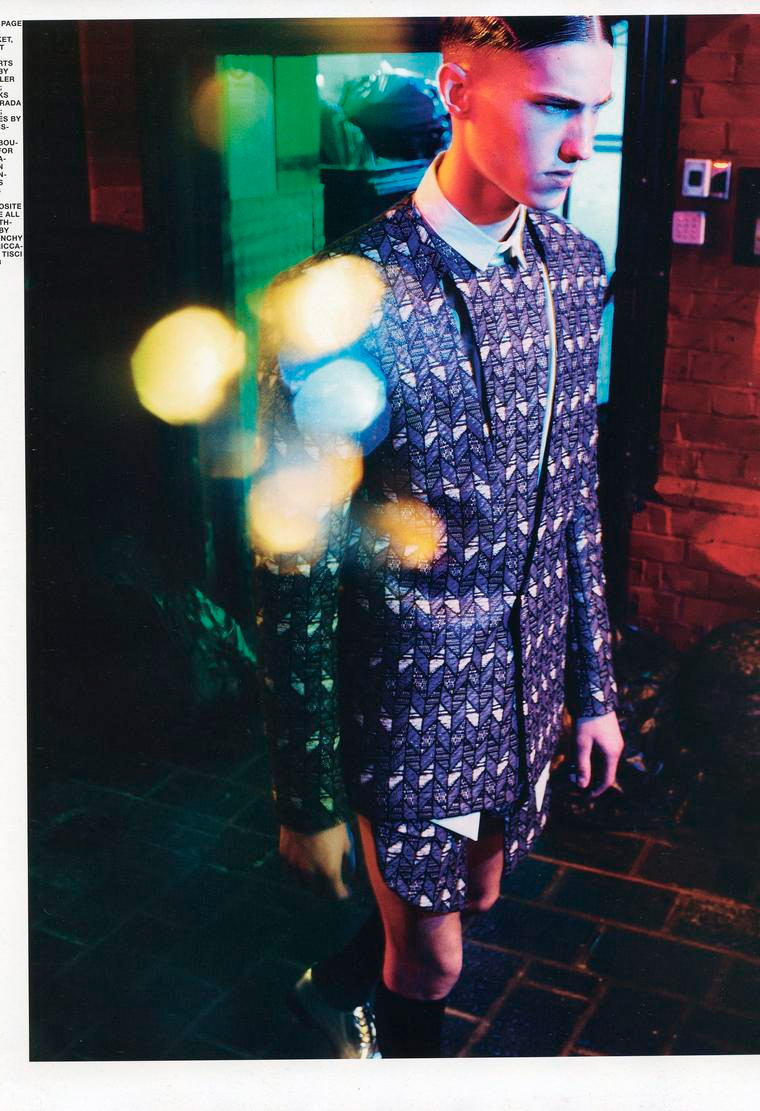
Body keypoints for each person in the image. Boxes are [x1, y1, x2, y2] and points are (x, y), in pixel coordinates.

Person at [253, 14, 625, 1059]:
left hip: (526, 687)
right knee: (434, 959)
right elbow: (294, 559)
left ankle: (335, 989)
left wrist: (594, 689)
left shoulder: (571, 264)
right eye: (551, 105)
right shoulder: (341, 300)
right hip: (407, 702)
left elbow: (574, 498)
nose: (579, 142)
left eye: (593, 110)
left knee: (475, 893)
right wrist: (307, 794)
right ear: (457, 92)